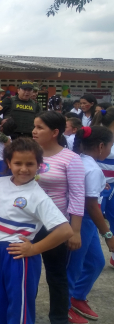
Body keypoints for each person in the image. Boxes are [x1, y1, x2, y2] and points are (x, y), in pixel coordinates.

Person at [0, 138, 73, 324]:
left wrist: (34, 249)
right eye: (18, 163)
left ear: (39, 165)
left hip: (19, 257)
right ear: (8, 163)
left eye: (30, 164)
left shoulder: (38, 196)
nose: (24, 168)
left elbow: (65, 230)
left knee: (19, 310)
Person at [32, 112, 85, 324]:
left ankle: (59, 318)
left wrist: (75, 230)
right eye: (34, 126)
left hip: (55, 226)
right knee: (27, 273)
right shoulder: (30, 154)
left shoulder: (70, 159)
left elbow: (77, 195)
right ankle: (24, 313)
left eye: (40, 127)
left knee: (56, 275)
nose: (34, 131)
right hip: (29, 224)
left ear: (55, 132)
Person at [68, 126, 114, 323]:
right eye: (110, 146)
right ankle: (64, 306)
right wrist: (108, 236)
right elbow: (91, 205)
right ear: (102, 146)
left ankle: (77, 296)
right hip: (81, 220)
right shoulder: (92, 168)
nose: (110, 150)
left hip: (88, 221)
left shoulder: (83, 161)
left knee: (96, 262)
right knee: (72, 267)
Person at [95, 108, 114, 268]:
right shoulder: (101, 138)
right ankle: (89, 257)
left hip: (110, 185)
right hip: (99, 186)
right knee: (95, 221)